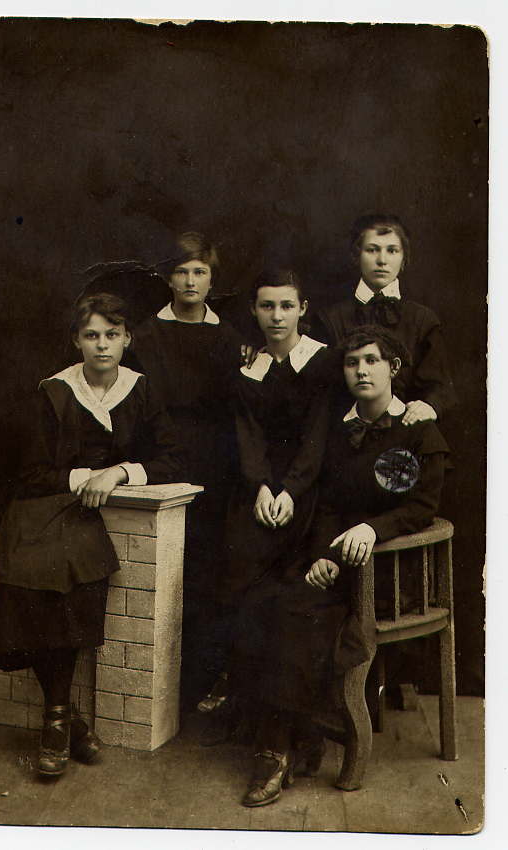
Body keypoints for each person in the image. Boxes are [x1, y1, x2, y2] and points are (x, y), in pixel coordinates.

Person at [231, 325, 450, 808]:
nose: (361, 371)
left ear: (393, 368)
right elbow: (328, 505)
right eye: (352, 363)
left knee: (298, 613)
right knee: (263, 599)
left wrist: (372, 530)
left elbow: (420, 508)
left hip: (388, 570)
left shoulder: (416, 431)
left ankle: (277, 750)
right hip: (336, 560)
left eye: (372, 361)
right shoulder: (338, 429)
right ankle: (297, 735)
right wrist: (324, 557)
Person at [0, 293, 182, 778]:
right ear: (76, 340)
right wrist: (83, 477)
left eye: (112, 335)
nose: (102, 345)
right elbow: (30, 473)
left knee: (72, 578)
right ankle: (62, 717)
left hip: (91, 517)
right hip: (43, 508)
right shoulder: (53, 391)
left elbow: (172, 458)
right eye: (91, 335)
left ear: (127, 339)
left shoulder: (141, 390)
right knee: (32, 579)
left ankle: (60, 720)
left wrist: (119, 472)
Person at [200, 268, 336, 735]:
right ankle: (237, 688)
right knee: (237, 564)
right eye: (267, 306)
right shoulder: (248, 370)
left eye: (286, 306)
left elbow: (317, 438)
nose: (277, 316)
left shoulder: (323, 363)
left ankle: (281, 709)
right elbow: (248, 436)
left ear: (302, 310)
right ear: (254, 311)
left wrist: (290, 491)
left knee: (288, 587)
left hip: (308, 489)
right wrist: (260, 486)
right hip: (258, 489)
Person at [131, 231, 244, 706]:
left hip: (217, 465)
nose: (191, 281)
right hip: (164, 457)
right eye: (181, 272)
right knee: (166, 565)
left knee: (209, 567)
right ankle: (161, 688)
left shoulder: (230, 338)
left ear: (212, 279)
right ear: (167, 277)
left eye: (200, 271)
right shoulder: (145, 336)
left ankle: (202, 681)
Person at [312, 213, 457, 424]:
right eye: (372, 250)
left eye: (392, 250)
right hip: (345, 432)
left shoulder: (422, 320)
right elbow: (320, 392)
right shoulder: (330, 319)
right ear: (357, 255)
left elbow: (439, 386)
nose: (382, 260)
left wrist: (429, 405)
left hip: (405, 429)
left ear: (404, 258)